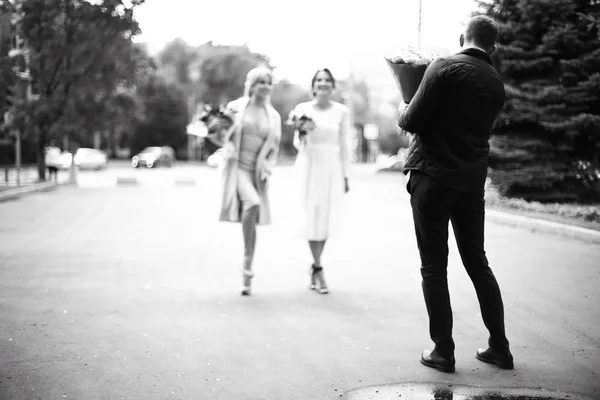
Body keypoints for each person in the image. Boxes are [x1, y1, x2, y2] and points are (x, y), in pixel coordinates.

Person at [397, 15, 513, 373]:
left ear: (463, 36)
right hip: (470, 181)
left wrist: (403, 105)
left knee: (434, 266)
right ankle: (500, 348)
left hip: (432, 177)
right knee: (477, 262)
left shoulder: (442, 67)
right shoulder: (495, 83)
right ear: (491, 47)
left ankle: (443, 351)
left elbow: (411, 122)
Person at [218, 66, 281, 296]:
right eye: (261, 82)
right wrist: (227, 145)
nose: (265, 86)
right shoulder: (236, 108)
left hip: (257, 172)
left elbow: (274, 148)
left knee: (253, 219)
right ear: (251, 84)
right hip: (237, 169)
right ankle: (246, 263)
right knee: (253, 204)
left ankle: (247, 269)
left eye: (268, 83)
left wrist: (267, 167)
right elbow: (219, 134)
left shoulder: (273, 116)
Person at [289, 68, 351, 294]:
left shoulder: (341, 112)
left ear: (332, 86)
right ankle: (318, 266)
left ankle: (316, 265)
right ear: (313, 86)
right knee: (311, 215)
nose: (323, 83)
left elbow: (345, 145)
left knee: (326, 217)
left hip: (332, 167)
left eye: (327, 80)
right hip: (309, 164)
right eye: (319, 80)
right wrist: (302, 132)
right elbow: (298, 144)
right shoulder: (302, 110)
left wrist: (346, 174)